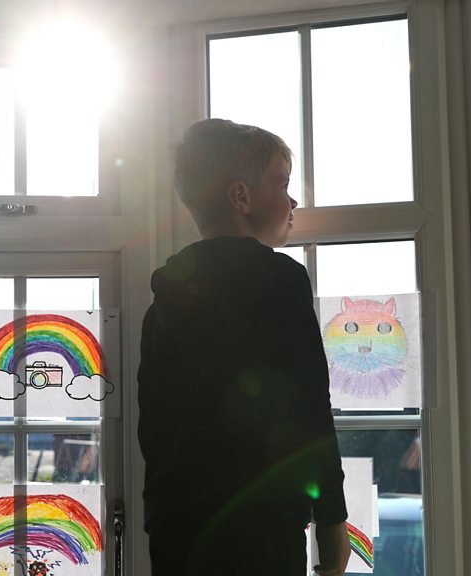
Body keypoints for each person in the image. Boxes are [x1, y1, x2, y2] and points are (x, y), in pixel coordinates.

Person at [137, 118, 350, 575]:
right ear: (241, 196)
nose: (293, 201)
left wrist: (160, 518)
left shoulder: (163, 303)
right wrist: (332, 518)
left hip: (178, 531)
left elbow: (153, 430)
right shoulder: (282, 281)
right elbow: (310, 407)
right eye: (282, 184)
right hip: (262, 530)